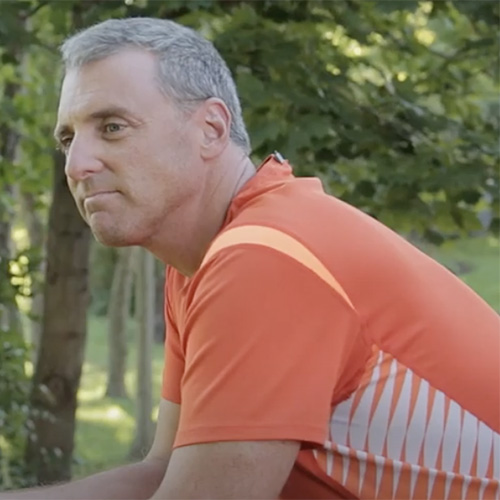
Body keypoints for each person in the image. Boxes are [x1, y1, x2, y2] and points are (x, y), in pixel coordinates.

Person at [3, 16, 499, 500]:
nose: (76, 164)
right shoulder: (204, 261)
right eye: (68, 138)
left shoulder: (265, 259)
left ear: (212, 129)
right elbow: (166, 471)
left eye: (111, 127)